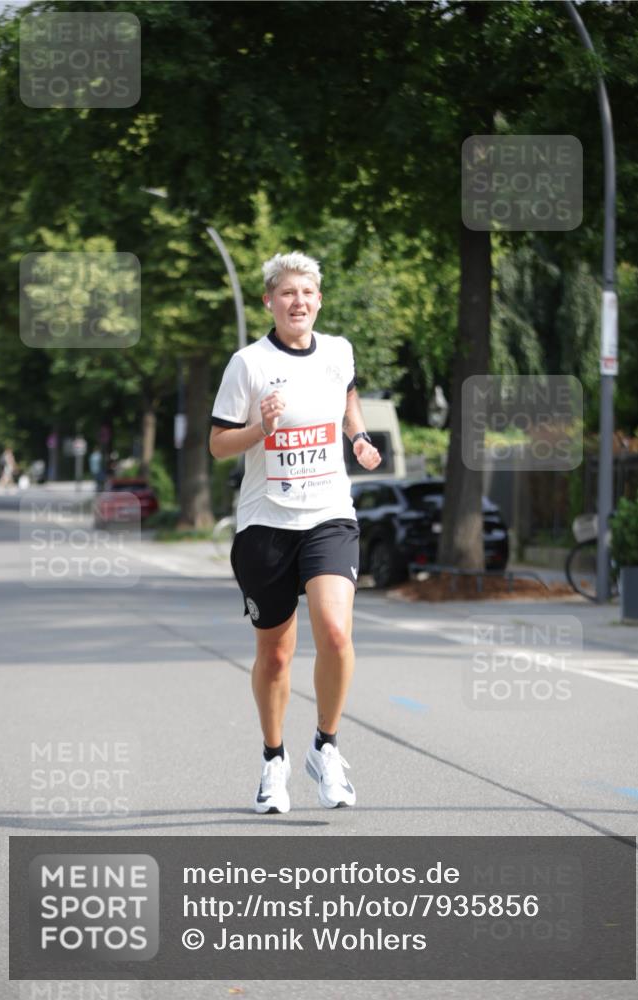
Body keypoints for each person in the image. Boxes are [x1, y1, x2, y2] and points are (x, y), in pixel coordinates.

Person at [210, 251, 381, 814]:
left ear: (319, 301)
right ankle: (273, 759)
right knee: (277, 656)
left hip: (329, 514)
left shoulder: (338, 352)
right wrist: (263, 427)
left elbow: (348, 395)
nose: (298, 302)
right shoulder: (247, 364)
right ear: (269, 301)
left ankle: (326, 748)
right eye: (286, 293)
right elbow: (218, 445)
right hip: (266, 525)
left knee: (335, 633)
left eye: (306, 293)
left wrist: (357, 438)